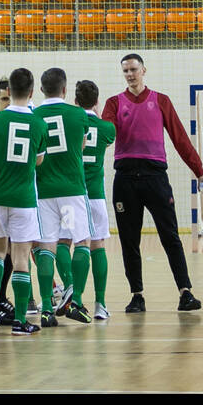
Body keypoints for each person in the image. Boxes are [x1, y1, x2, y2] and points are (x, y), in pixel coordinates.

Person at [102, 54, 203, 313]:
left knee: (170, 235)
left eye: (134, 69)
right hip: (125, 178)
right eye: (125, 70)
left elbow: (180, 138)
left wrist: (199, 171)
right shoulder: (113, 103)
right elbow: (104, 133)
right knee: (129, 240)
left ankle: (185, 292)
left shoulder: (161, 101)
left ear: (144, 70)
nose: (130, 74)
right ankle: (136, 295)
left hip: (155, 177)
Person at [0, 67, 47, 335]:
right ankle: (20, 320)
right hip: (24, 198)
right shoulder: (39, 123)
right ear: (31, 92)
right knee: (20, 259)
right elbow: (39, 160)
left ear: (8, 92)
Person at [33, 67, 93, 326]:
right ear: (65, 89)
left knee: (45, 247)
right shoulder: (79, 114)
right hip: (72, 190)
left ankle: (46, 308)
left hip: (43, 191)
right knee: (81, 242)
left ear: (42, 90)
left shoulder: (34, 116)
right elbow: (80, 146)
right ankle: (76, 301)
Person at [76, 79, 116, 320]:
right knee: (98, 246)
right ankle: (100, 303)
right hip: (96, 196)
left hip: (75, 194)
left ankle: (76, 298)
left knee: (72, 246)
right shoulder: (107, 128)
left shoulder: (72, 123)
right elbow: (106, 135)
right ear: (97, 100)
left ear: (75, 101)